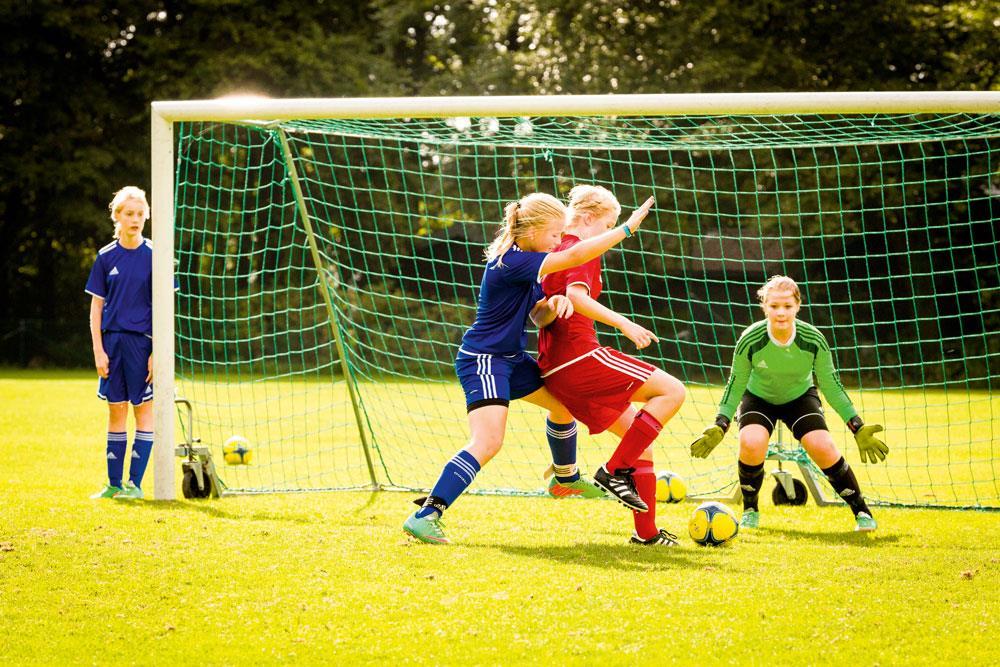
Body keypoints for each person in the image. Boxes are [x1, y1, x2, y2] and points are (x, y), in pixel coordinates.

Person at [403, 192, 654, 544]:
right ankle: (427, 514)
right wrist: (626, 229)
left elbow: (538, 315)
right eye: (553, 234)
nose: (557, 241)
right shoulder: (513, 260)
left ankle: (564, 479)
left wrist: (554, 301)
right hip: (484, 360)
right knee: (488, 441)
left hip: (511, 360)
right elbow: (575, 254)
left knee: (564, 405)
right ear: (533, 230)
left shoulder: (529, 261)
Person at [537, 184, 687, 546]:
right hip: (579, 357)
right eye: (608, 225)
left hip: (555, 367)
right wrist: (624, 323)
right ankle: (612, 472)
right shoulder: (580, 249)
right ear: (588, 219)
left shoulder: (552, 249)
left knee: (641, 445)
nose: (607, 234)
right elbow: (575, 296)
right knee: (673, 390)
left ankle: (647, 535)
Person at [689, 275, 888, 532]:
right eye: (774, 306)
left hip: (800, 398)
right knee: (751, 442)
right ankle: (750, 509)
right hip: (758, 399)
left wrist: (857, 426)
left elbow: (830, 385)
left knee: (822, 445)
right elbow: (736, 383)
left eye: (787, 306)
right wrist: (721, 423)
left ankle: (862, 512)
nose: (781, 312)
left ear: (798, 306)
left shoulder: (813, 339)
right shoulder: (750, 339)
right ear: (764, 307)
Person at [85, 186, 157, 500]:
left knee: (143, 410)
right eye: (129, 213)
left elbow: (164, 309)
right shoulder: (105, 257)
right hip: (112, 344)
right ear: (117, 216)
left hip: (143, 345)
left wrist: (158, 352)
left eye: (141, 214)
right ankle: (114, 485)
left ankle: (135, 485)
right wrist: (98, 350)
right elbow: (96, 308)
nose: (135, 219)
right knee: (116, 412)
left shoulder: (156, 255)